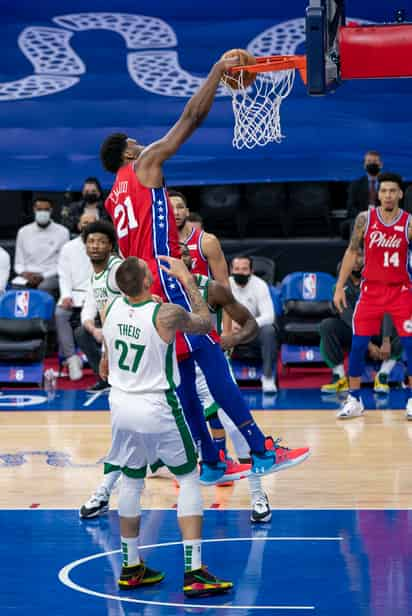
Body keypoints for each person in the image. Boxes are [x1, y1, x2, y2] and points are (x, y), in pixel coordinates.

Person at [100, 55, 309, 484]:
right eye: (136, 141)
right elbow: (191, 118)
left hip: (142, 292)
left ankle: (211, 459)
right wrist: (216, 72)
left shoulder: (111, 198)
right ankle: (261, 448)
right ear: (126, 150)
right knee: (214, 363)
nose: (144, 143)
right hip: (167, 281)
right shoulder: (143, 166)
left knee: (185, 374)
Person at [100, 255, 233, 597]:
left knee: (131, 479)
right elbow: (206, 323)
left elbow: (104, 363)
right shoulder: (166, 314)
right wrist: (188, 279)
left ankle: (131, 567)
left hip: (120, 405)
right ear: (147, 282)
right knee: (189, 476)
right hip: (156, 405)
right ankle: (194, 572)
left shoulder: (110, 307)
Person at [180, 244, 272, 523]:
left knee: (239, 431)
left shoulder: (210, 288)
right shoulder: (156, 293)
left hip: (211, 368)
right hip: (179, 370)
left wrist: (229, 339)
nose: (182, 257)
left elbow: (251, 324)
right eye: (175, 252)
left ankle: (257, 494)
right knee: (177, 437)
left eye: (186, 253)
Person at [334, 173, 412, 419]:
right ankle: (355, 399)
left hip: (401, 291)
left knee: (410, 346)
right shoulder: (364, 220)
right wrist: (339, 286)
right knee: (357, 346)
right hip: (371, 291)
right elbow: (351, 252)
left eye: (393, 191)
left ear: (400, 194)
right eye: (384, 191)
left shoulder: (409, 223)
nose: (388, 195)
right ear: (378, 194)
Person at [320, 252, 402, 394]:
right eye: (355, 258)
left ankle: (383, 375)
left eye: (361, 257)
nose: (358, 262)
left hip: (378, 331)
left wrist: (386, 340)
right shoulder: (339, 289)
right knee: (327, 326)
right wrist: (369, 345)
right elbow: (348, 318)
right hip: (354, 333)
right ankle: (340, 377)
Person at [76, 221, 122, 393]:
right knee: (82, 331)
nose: (95, 246)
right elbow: (88, 309)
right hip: (109, 330)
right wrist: (95, 330)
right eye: (91, 241)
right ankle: (105, 379)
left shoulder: (117, 269)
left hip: (126, 329)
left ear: (110, 245)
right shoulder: (94, 275)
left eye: (101, 242)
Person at [55, 211, 97, 380]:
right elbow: (63, 274)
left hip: (96, 296)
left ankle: (103, 362)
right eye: (84, 223)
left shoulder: (103, 245)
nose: (87, 226)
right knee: (60, 314)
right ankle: (72, 359)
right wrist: (65, 295)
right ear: (79, 226)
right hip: (74, 294)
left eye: (91, 222)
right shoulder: (68, 247)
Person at [230, 256, 278, 393]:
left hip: (252, 333)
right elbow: (215, 314)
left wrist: (247, 325)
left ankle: (268, 378)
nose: (240, 272)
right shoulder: (224, 285)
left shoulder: (260, 285)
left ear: (251, 271)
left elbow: (269, 316)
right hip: (230, 332)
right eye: (237, 269)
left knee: (269, 331)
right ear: (231, 270)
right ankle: (218, 380)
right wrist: (227, 324)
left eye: (244, 269)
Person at [13, 197, 69, 297]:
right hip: (27, 274)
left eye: (46, 210)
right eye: (39, 209)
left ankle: (41, 313)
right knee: (17, 286)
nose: (42, 212)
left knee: (44, 287)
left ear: (51, 211)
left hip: (50, 275)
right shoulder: (23, 232)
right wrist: (23, 273)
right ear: (34, 210)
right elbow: (18, 263)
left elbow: (63, 264)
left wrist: (43, 275)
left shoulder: (63, 232)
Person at [170, 190, 229, 283]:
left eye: (180, 207)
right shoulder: (156, 243)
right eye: (170, 208)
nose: (176, 212)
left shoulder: (207, 241)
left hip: (202, 296)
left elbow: (224, 286)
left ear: (187, 212)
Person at [341, 150, 383, 239]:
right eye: (369, 162)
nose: (372, 164)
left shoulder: (388, 184)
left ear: (381, 165)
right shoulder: (355, 184)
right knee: (353, 224)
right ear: (364, 165)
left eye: (375, 162)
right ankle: (355, 251)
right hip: (362, 219)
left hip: (383, 219)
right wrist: (365, 217)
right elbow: (350, 207)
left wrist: (379, 217)